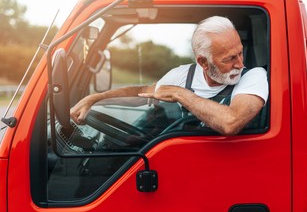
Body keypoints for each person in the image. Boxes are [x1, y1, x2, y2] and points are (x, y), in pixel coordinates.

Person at [70, 16, 268, 136]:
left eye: (240, 53)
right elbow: (141, 93)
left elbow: (230, 123)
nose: (240, 64)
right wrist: (94, 99)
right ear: (203, 62)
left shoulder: (254, 77)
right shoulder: (183, 75)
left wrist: (180, 94)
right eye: (230, 58)